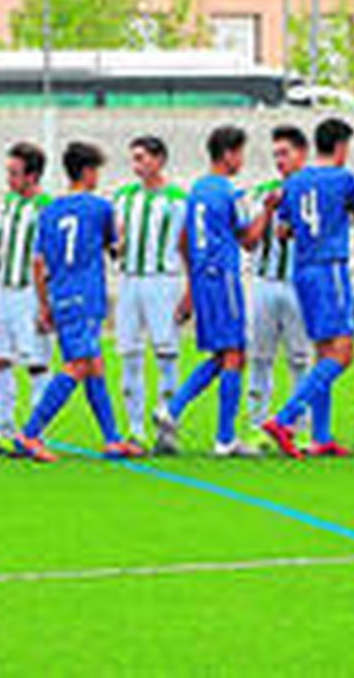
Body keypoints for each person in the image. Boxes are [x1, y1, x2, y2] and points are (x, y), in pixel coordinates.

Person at [16, 142, 145, 463]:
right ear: (88, 171)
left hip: (60, 294)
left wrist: (44, 305)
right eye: (96, 170)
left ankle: (112, 439)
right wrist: (123, 235)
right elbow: (116, 250)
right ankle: (30, 433)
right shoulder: (100, 207)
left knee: (94, 365)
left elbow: (38, 263)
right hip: (86, 294)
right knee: (78, 365)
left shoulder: (49, 211)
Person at [155, 125, 277, 458]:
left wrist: (192, 283)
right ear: (228, 154)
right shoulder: (229, 192)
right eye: (240, 153)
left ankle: (172, 410)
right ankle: (225, 439)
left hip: (203, 277)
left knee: (223, 355)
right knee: (235, 353)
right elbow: (249, 240)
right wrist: (267, 210)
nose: (242, 160)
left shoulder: (197, 190)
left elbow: (182, 240)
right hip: (224, 277)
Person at [259, 118, 354, 459]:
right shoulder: (344, 178)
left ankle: (321, 436)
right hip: (330, 267)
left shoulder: (294, 183)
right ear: (341, 146)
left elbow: (282, 232)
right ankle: (285, 418)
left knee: (324, 352)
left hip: (302, 270)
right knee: (343, 354)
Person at [0, 143, 53, 457]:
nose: (9, 178)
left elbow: (49, 257)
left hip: (31, 291)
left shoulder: (47, 208)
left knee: (37, 364)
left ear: (32, 175)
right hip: (5, 289)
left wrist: (46, 303)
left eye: (14, 173)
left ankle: (35, 434)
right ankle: (3, 432)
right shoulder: (9, 204)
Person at [111, 136, 187, 446]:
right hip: (129, 280)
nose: (136, 165)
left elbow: (186, 247)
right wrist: (116, 246)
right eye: (134, 158)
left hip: (163, 280)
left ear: (159, 160)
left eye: (142, 158)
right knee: (129, 353)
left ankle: (167, 429)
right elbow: (115, 239)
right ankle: (135, 430)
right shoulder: (123, 197)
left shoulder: (177, 200)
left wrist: (189, 293)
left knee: (166, 354)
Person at [245, 127, 314, 437]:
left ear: (303, 154)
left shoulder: (314, 192)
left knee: (300, 358)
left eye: (285, 153)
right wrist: (268, 209)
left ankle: (300, 427)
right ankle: (257, 426)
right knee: (260, 357)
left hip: (300, 284)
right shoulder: (263, 192)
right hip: (266, 281)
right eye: (276, 155)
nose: (279, 161)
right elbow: (249, 241)